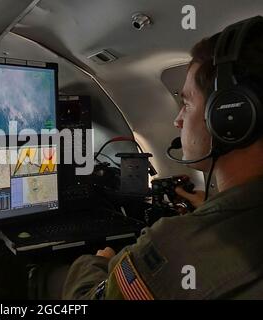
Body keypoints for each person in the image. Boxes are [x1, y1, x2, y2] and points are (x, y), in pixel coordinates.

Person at [62, 16, 263, 299]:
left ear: (230, 115)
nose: (178, 121)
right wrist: (212, 209)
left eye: (187, 103)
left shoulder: (175, 245)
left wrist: (95, 262)